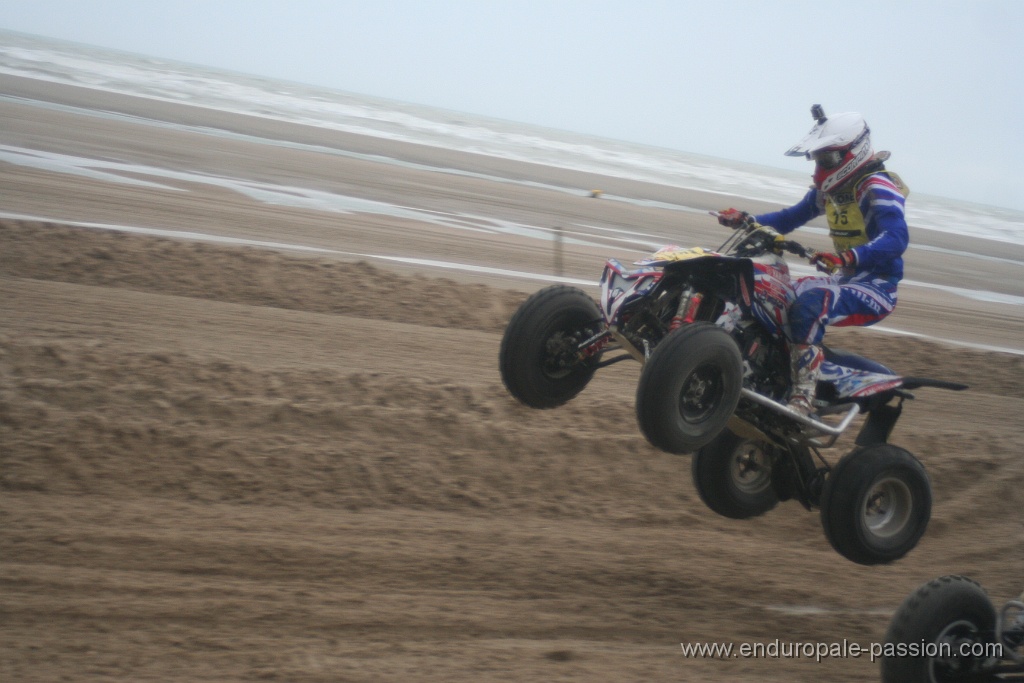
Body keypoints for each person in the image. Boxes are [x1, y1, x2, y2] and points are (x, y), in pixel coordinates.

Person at [717, 105, 910, 416]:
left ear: (853, 152)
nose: (820, 167)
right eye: (817, 159)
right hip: (844, 279)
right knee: (771, 292)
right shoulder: (829, 191)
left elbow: (897, 238)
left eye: (827, 159)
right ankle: (765, 367)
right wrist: (747, 220)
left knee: (809, 306)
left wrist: (847, 256)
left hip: (877, 287)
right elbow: (790, 217)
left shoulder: (876, 188)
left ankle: (803, 397)